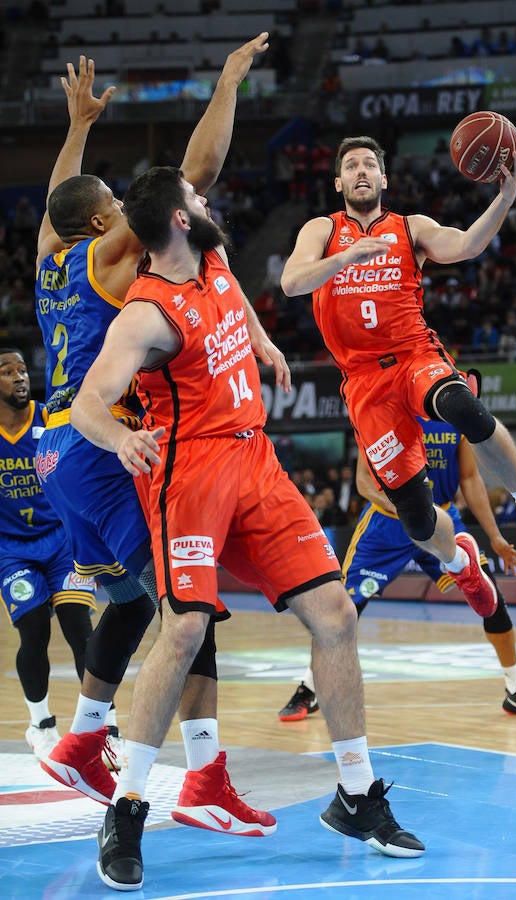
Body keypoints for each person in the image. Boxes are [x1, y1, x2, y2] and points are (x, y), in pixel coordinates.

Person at [71, 166, 426, 890]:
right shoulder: (144, 313)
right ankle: (128, 806)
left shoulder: (216, 261)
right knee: (183, 629)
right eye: (196, 201)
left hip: (254, 458)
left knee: (334, 614)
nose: (208, 205)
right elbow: (88, 404)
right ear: (176, 219)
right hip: (191, 472)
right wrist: (120, 439)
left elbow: (236, 305)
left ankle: (356, 796)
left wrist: (260, 342)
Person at [36, 40, 285, 829]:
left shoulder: (49, 253)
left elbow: (57, 201)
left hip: (56, 456)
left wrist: (76, 127)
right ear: (108, 219)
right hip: (100, 444)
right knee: (189, 603)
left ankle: (80, 740)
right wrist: (226, 83)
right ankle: (205, 777)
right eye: (115, 200)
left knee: (136, 607)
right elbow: (193, 180)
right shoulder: (108, 257)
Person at [280, 135, 516, 624]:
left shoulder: (409, 226)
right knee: (418, 518)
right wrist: (346, 258)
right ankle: (461, 563)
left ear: (384, 178)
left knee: (466, 409)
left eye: (369, 165)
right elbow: (292, 283)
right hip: (363, 381)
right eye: (351, 165)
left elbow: (465, 245)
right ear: (338, 181)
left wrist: (504, 197)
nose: (361, 171)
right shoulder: (322, 229)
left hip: (414, 355)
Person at [279, 418, 516, 722]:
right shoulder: (379, 411)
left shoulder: (452, 413)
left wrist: (494, 536)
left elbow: (469, 479)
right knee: (343, 611)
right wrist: (402, 508)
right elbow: (364, 482)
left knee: (490, 597)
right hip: (386, 525)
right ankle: (309, 688)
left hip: (441, 518)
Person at [0, 348, 98, 760]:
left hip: (63, 540)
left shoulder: (50, 418)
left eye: (22, 369)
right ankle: (40, 724)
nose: (20, 377)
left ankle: (101, 724)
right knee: (34, 631)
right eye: (7, 372)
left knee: (80, 627)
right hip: (13, 551)